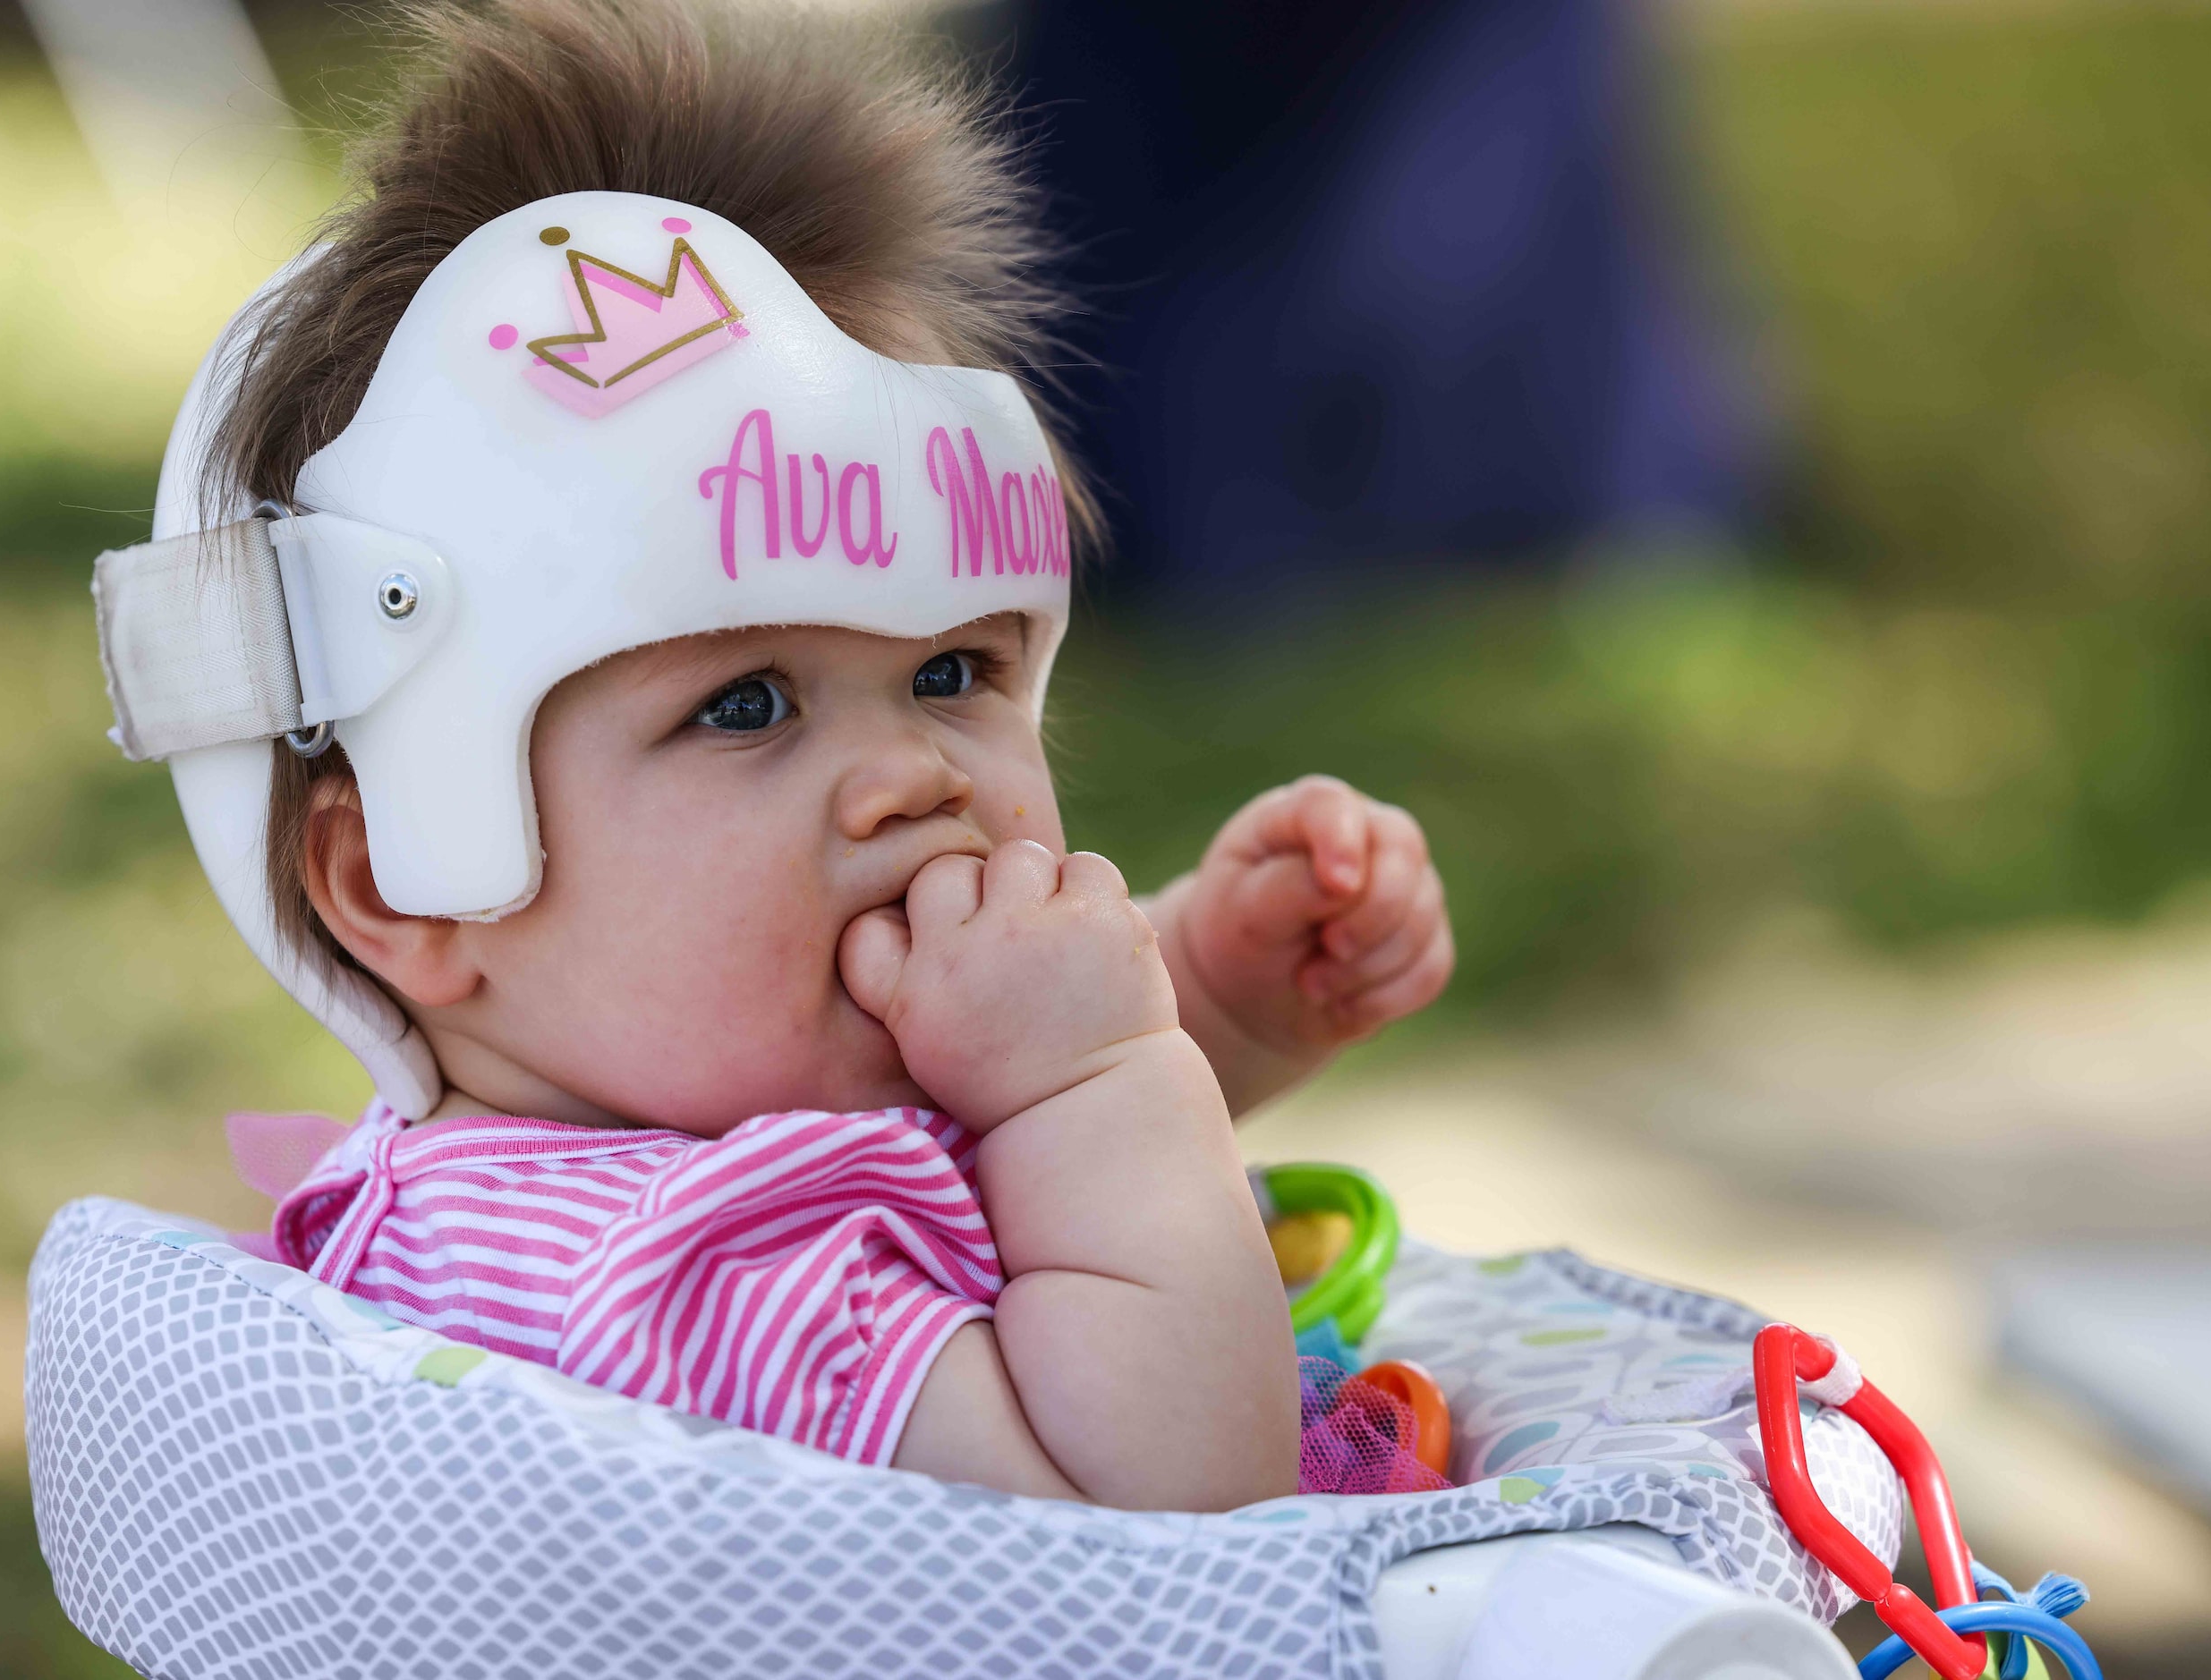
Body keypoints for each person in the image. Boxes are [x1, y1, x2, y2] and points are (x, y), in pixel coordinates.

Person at [102, 0, 1452, 1513]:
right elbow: (1159, 1514)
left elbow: (980, 1126)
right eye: (746, 704)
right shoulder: (677, 1267)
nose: (913, 777)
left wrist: (1205, 991)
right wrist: (1102, 1076)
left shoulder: (676, 1111)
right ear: (408, 878)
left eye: (954, 671)